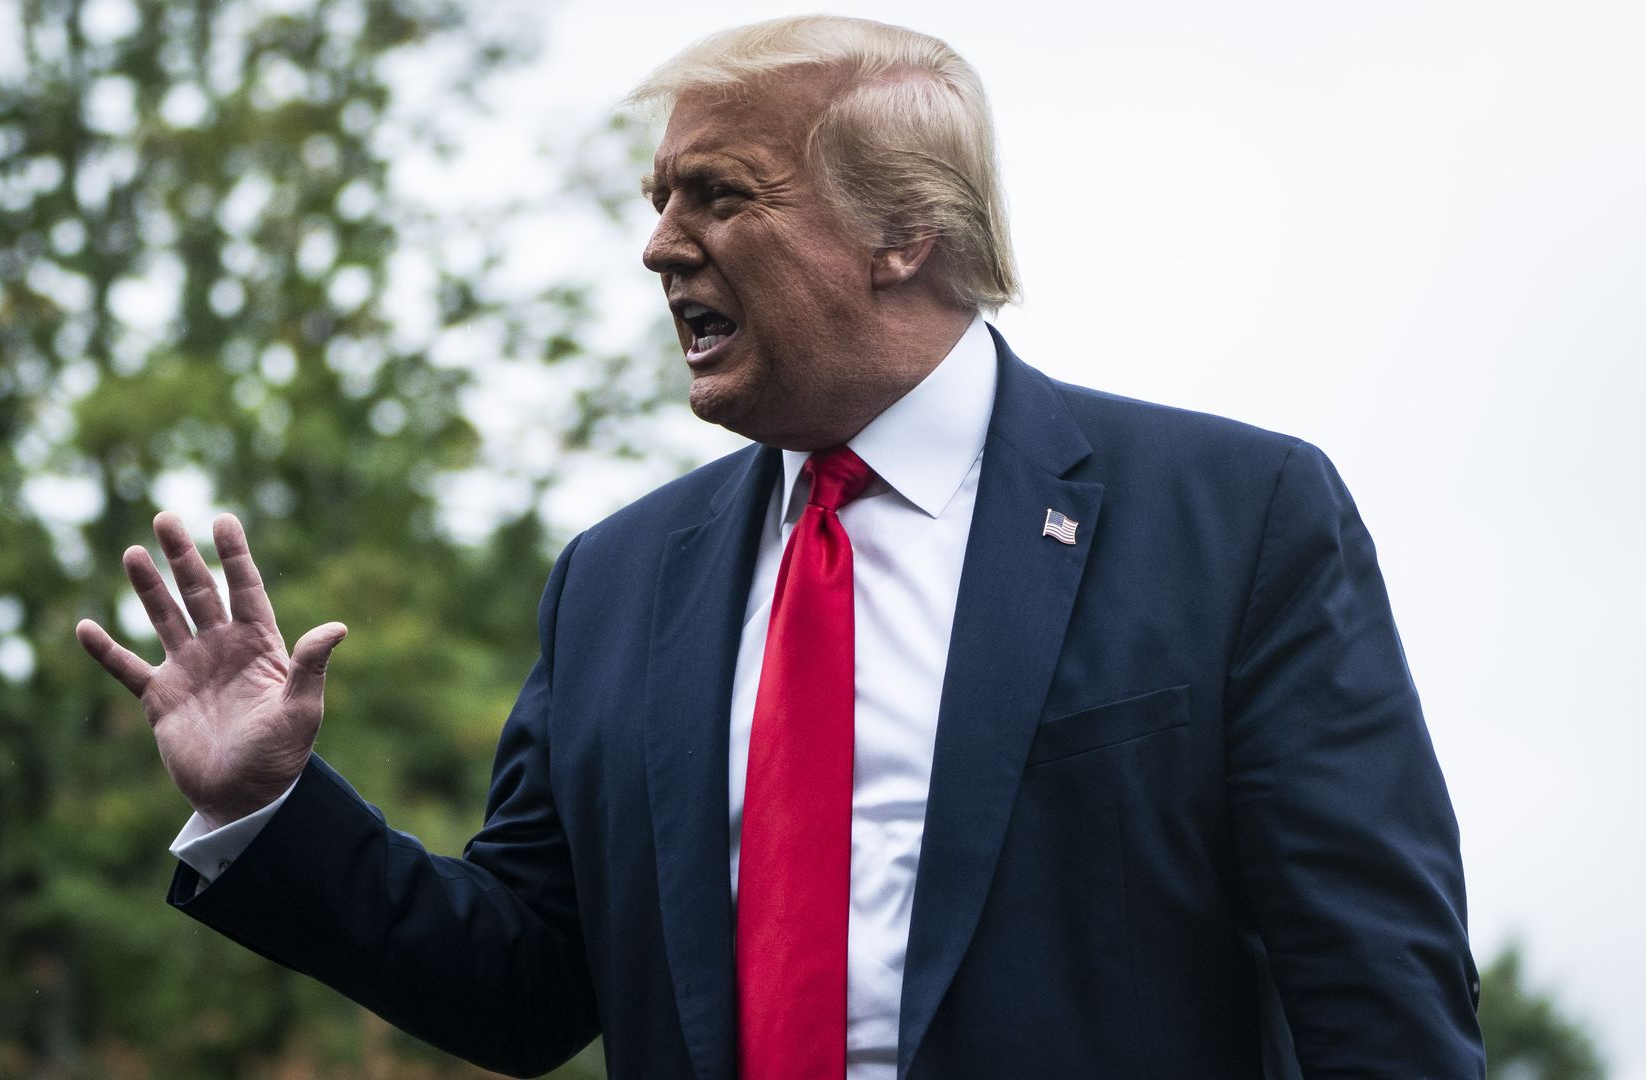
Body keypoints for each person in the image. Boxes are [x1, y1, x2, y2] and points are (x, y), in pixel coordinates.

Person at [76, 16, 1484, 1080]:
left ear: (904, 235)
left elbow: (1379, 994)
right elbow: (521, 985)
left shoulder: (1234, 520)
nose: (658, 247)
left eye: (719, 196)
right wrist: (270, 804)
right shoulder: (617, 586)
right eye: (655, 199)